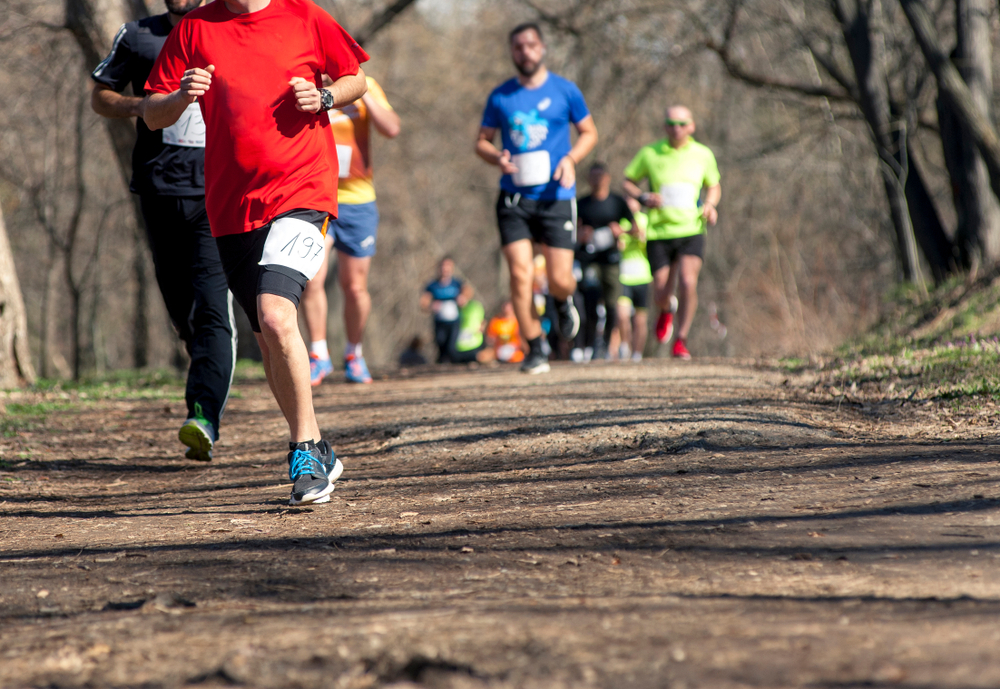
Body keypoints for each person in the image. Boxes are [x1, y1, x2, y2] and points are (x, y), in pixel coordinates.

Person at [143, 0, 369, 506]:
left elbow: (358, 80)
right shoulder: (197, 27)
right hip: (231, 207)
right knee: (267, 338)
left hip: (303, 192)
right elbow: (152, 112)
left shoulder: (304, 16)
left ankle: (304, 449)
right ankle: (317, 445)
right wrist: (181, 96)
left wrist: (326, 96)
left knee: (276, 314)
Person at [90, 0, 235, 463]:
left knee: (213, 307)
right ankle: (202, 386)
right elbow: (101, 95)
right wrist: (144, 105)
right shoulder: (137, 36)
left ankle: (203, 415)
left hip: (216, 191)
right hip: (158, 188)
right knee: (182, 309)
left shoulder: (229, 30)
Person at [475, 22, 598, 374]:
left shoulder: (565, 90)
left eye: (530, 45)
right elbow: (481, 141)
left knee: (559, 278)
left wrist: (571, 159)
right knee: (520, 275)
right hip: (515, 199)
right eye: (517, 47)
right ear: (512, 52)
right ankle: (535, 348)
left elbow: (589, 132)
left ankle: (562, 300)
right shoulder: (501, 96)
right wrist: (495, 156)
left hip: (557, 195)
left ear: (542, 48)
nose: (524, 52)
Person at [301, 74, 401, 386]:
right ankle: (318, 354)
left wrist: (364, 93)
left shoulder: (366, 84)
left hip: (358, 202)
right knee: (311, 278)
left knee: (354, 286)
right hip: (317, 196)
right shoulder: (308, 83)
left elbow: (392, 128)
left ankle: (354, 354)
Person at [623, 105, 721, 360]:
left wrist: (709, 205)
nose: (676, 128)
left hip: (691, 229)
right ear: (665, 126)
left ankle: (681, 339)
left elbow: (714, 186)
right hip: (659, 231)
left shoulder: (702, 154)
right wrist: (643, 197)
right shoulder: (650, 153)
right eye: (671, 123)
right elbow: (628, 182)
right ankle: (666, 309)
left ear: (691, 126)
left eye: (681, 124)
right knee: (661, 292)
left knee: (688, 282)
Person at [576, 162, 635, 360]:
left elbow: (636, 229)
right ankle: (591, 345)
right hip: (589, 260)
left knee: (611, 305)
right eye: (592, 176)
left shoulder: (617, 202)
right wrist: (581, 235)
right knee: (590, 303)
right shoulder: (582, 203)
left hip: (611, 260)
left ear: (608, 177)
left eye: (600, 176)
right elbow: (571, 231)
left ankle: (607, 344)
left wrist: (621, 231)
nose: (596, 180)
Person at [614, 197, 652, 361]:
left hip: (642, 275)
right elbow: (618, 244)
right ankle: (625, 346)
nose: (630, 203)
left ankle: (637, 354)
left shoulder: (646, 220)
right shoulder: (621, 221)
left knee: (639, 319)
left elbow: (651, 246)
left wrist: (642, 238)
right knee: (622, 315)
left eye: (634, 201)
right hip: (623, 275)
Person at [420, 257, 474, 364]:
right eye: (443, 266)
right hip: (440, 321)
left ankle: (454, 367)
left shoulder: (457, 283)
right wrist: (431, 306)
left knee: (452, 347)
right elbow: (423, 302)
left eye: (448, 266)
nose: (445, 269)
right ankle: (441, 367)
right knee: (440, 344)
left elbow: (468, 292)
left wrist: (463, 298)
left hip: (454, 321)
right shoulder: (433, 285)